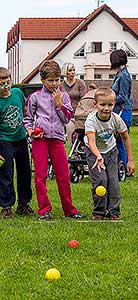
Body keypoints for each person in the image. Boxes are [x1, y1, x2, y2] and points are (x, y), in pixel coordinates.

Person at [24, 60, 84, 220]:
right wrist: (30, 132)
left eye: (57, 79)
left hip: (57, 140)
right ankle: (44, 210)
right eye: (51, 80)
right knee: (40, 175)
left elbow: (66, 119)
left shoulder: (64, 97)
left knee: (63, 175)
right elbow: (28, 119)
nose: (54, 83)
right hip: (40, 140)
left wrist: (59, 105)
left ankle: (69, 210)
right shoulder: (34, 97)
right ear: (43, 80)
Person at [84, 86, 135, 220]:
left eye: (110, 105)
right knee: (101, 180)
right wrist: (98, 156)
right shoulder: (91, 120)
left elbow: (126, 138)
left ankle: (114, 212)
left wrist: (130, 160)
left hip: (111, 151)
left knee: (113, 181)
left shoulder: (116, 119)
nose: (106, 108)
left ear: (114, 104)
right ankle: (99, 212)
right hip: (93, 153)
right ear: (95, 104)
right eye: (102, 105)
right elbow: (91, 141)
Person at [0, 67, 33, 218]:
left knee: (25, 172)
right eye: (1, 82)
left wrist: (30, 127)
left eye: (7, 80)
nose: (5, 84)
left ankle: (24, 204)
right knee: (6, 174)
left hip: (21, 139)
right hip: (4, 141)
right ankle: (6, 206)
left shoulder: (18, 93)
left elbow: (26, 111)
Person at [110, 49, 133, 170]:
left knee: (120, 140)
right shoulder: (120, 73)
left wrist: (110, 99)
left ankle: (123, 167)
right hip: (119, 110)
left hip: (122, 111)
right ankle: (120, 166)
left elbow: (123, 97)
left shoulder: (123, 76)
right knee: (118, 141)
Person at [60, 62, 87, 146]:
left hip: (79, 114)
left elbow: (84, 99)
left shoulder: (80, 83)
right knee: (71, 136)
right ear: (65, 72)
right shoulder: (61, 85)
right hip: (67, 114)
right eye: (70, 70)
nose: (72, 72)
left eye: (74, 70)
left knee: (81, 138)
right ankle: (73, 153)